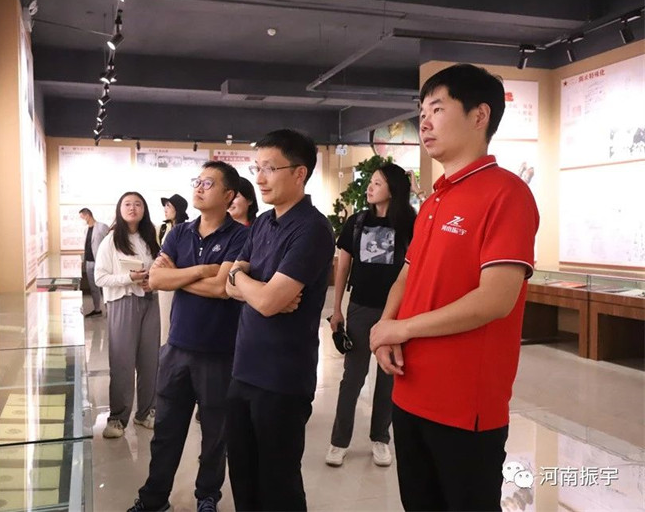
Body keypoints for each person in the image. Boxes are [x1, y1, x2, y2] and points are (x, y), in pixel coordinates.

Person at [369, 64, 539, 511]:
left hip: (464, 408)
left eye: (438, 109)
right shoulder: (433, 201)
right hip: (408, 391)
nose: (424, 122)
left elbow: (495, 299)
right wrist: (386, 327)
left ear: (480, 115)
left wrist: (403, 329)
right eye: (422, 111)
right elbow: (408, 275)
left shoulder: (507, 194)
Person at [225, 129, 335, 511]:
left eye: (269, 169)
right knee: (242, 477)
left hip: (282, 379)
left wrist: (251, 286)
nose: (259, 178)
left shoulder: (313, 229)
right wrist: (252, 286)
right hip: (243, 369)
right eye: (256, 168)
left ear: (299, 173)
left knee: (278, 485)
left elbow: (268, 301)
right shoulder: (261, 223)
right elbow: (229, 283)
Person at [129, 161, 247, 512]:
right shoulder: (179, 233)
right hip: (176, 348)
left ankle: (207, 496)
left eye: (208, 183)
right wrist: (201, 270)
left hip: (219, 353)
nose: (199, 187)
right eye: (198, 181)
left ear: (228, 195)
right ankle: (154, 498)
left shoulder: (240, 236)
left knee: (215, 436)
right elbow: (155, 279)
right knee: (166, 432)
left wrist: (178, 276)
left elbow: (223, 288)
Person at [325, 163, 416, 468]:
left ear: (393, 188)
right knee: (353, 376)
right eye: (371, 182)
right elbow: (343, 266)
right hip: (361, 307)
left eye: (377, 183)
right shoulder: (357, 222)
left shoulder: (410, 223)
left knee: (388, 376)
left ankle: (380, 438)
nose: (370, 187)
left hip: (396, 312)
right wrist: (337, 309)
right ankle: (339, 441)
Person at [95, 192, 162, 439]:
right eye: (127, 204)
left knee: (150, 360)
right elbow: (100, 277)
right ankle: (117, 417)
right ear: (119, 209)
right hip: (122, 302)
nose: (132, 208)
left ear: (144, 209)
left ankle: (146, 412)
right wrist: (128, 278)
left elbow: (159, 268)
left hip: (149, 301)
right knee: (122, 361)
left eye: (138, 204)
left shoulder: (150, 238)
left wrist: (152, 280)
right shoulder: (111, 240)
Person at [158, 194, 189, 345]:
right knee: (164, 320)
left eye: (169, 206)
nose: (165, 209)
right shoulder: (164, 228)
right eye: (165, 206)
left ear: (178, 209)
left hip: (177, 279)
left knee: (174, 318)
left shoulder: (186, 231)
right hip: (163, 279)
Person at [79, 207, 110, 317]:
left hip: (101, 262)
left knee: (105, 286)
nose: (82, 220)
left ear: (87, 215)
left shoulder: (102, 227)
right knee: (93, 287)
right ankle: (97, 309)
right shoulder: (86, 229)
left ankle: (109, 309)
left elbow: (110, 243)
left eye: (82, 217)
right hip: (89, 262)